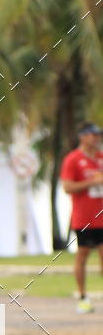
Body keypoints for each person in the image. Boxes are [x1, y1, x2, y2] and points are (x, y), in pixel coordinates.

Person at [60, 122, 103, 313]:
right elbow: (68, 187)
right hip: (84, 218)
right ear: (83, 136)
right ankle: (83, 297)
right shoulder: (73, 159)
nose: (96, 138)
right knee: (83, 256)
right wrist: (91, 182)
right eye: (93, 135)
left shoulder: (101, 158)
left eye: (98, 135)